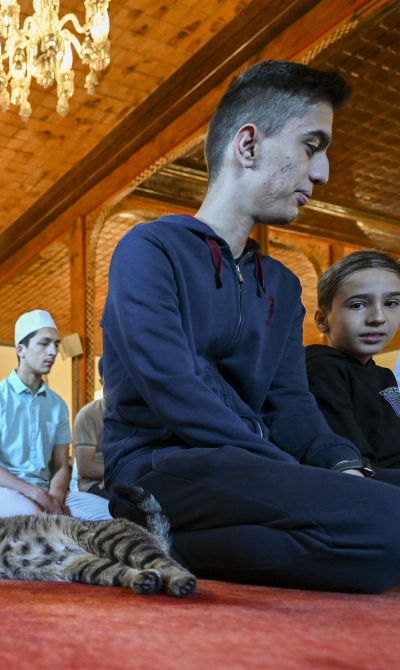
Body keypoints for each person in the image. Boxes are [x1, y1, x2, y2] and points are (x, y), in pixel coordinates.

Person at [101, 60, 400, 593]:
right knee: (385, 525)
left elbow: (291, 405)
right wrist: (299, 475)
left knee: (378, 522)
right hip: (160, 466)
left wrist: (341, 465)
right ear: (248, 145)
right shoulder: (149, 249)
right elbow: (175, 392)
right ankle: (133, 531)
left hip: (250, 469)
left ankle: (161, 543)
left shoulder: (282, 286)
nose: (323, 172)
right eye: (312, 146)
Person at [0, 310, 111, 521]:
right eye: (44, 344)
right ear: (21, 350)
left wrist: (54, 494)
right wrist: (37, 494)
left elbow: (61, 465)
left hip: (48, 492)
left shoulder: (57, 405)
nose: (53, 351)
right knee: (39, 524)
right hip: (1, 492)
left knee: (112, 515)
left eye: (56, 344)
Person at [306, 250, 400, 472]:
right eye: (358, 305)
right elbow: (353, 457)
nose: (378, 318)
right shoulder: (321, 368)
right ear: (322, 321)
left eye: (391, 303)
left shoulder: (383, 375)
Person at [72, 361, 107, 498]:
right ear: (102, 382)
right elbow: (85, 467)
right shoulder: (89, 414)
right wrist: (115, 474)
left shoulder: (136, 411)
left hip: (126, 476)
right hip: (94, 484)